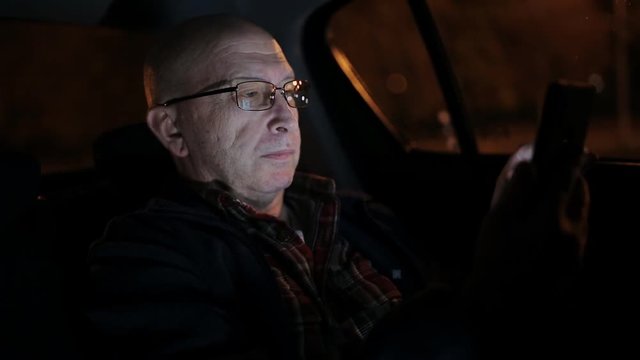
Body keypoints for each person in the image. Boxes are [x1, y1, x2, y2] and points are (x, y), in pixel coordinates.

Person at [86, 14, 589, 360]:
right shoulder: (143, 260)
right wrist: (492, 294)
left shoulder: (359, 216)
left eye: (288, 91)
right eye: (252, 94)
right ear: (172, 130)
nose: (286, 116)